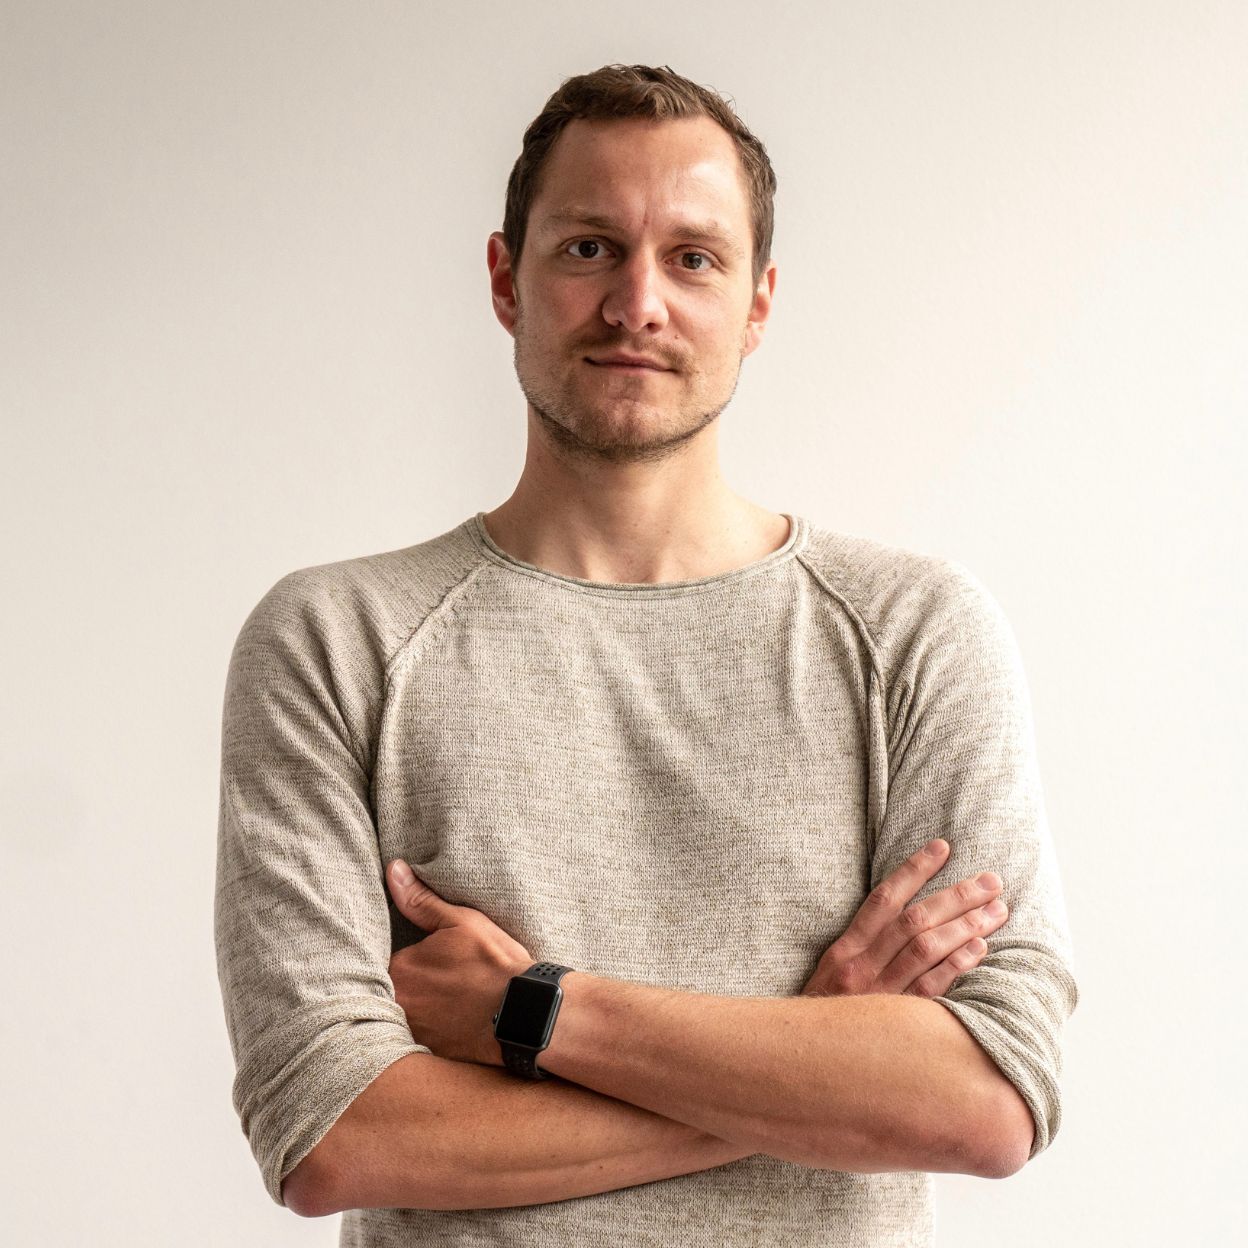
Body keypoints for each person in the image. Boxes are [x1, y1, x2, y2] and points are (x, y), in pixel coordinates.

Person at [214, 62, 1078, 1247]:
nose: (637, 304)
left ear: (757, 304)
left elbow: (989, 1099)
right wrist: (818, 1041)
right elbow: (331, 1136)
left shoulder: (913, 632)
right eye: (589, 249)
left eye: (693, 258)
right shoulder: (337, 640)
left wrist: (538, 1014)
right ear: (506, 279)